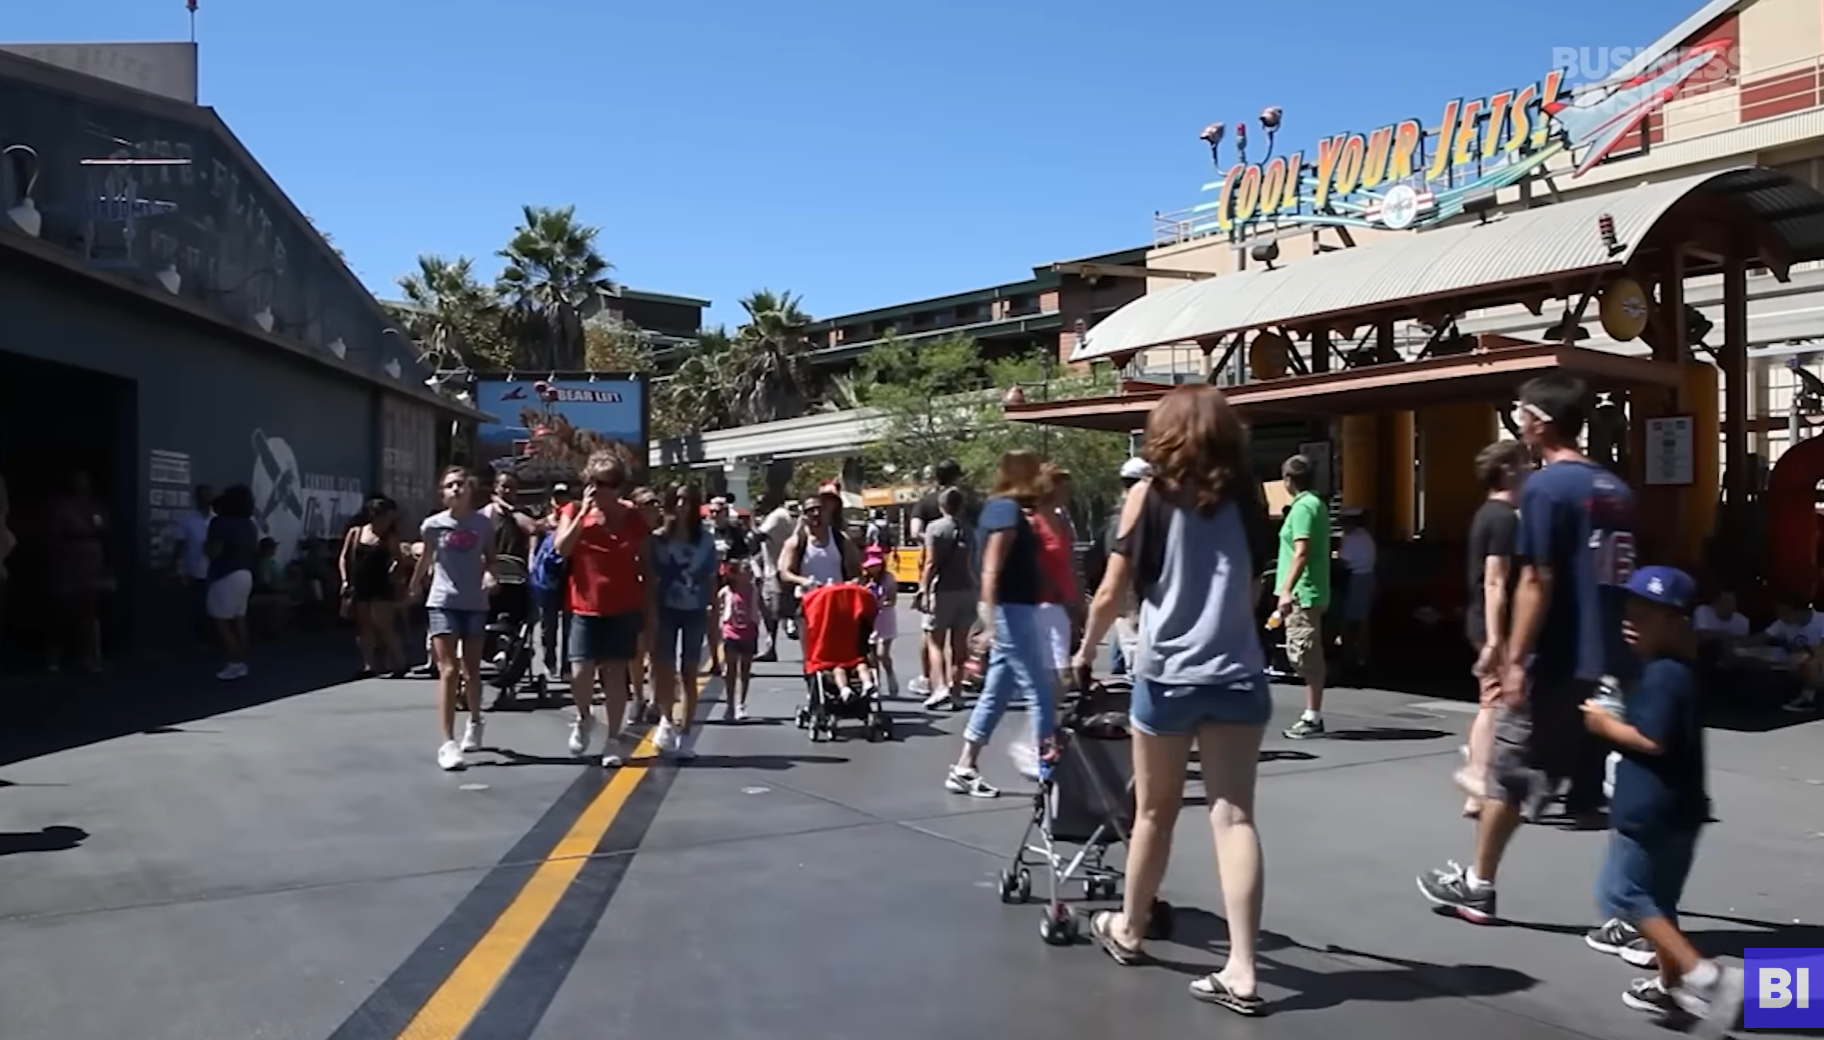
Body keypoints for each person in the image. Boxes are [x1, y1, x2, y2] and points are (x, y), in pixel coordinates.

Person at [1072, 384, 1274, 1015]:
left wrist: (1085, 651)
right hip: (1237, 674)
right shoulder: (1247, 499)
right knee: (1234, 817)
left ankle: (1130, 929)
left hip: (1169, 676)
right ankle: (1242, 968)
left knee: (1154, 813)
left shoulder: (1149, 495)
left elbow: (1113, 590)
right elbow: (1252, 584)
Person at [1419, 372, 1635, 922]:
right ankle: (1637, 910)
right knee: (1619, 784)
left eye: (1521, 412)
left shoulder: (1545, 489)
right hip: (1611, 658)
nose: (1517, 421)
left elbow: (1536, 579)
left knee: (1509, 775)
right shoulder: (1615, 489)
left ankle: (1478, 885)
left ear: (1540, 422)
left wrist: (1514, 659)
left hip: (1558, 659)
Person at [1580, 566, 1744, 1027]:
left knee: (1621, 893)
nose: (1631, 621)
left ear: (1678, 622)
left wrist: (1604, 724)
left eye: (1646, 614)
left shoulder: (1664, 675)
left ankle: (1705, 975)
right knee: (1661, 901)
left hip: (1648, 810)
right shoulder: (1682, 672)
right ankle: (1668, 987)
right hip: (1681, 811)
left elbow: (1651, 741)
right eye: (1630, 610)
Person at [943, 450, 1056, 797]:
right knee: (1040, 691)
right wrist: (989, 620)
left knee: (997, 692)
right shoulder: (1004, 510)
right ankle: (1047, 768)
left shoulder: (1007, 509)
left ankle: (964, 766)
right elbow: (991, 567)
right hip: (1011, 611)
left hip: (1015, 610)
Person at [556, 453, 653, 768]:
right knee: (580, 671)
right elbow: (561, 549)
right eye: (594, 482)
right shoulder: (573, 511)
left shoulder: (632, 517)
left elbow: (647, 560)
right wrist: (583, 515)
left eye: (606, 483)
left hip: (623, 604)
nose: (599, 489)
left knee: (615, 674)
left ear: (617, 486)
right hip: (584, 605)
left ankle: (613, 738)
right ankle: (584, 717)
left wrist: (650, 605)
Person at [1458, 441, 1530, 818]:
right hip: (1493, 625)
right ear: (1507, 470)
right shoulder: (1502, 519)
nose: (1531, 469)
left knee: (1495, 701)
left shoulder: (1490, 514)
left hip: (1488, 623)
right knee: (1495, 702)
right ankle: (1477, 779)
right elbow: (1494, 581)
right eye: (1525, 463)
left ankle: (1480, 779)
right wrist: (1497, 639)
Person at [410, 467, 498, 771]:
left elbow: (491, 558)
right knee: (448, 670)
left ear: (470, 490)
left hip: (474, 602)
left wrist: (490, 574)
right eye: (450, 485)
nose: (456, 489)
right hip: (443, 601)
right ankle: (448, 742)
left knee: (472, 670)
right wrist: (414, 584)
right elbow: (427, 557)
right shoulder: (433, 525)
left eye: (461, 484)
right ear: (442, 493)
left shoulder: (483, 524)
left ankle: (475, 720)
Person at [650, 483, 720, 758]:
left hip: (695, 609)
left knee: (689, 672)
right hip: (665, 608)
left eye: (687, 500)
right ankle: (666, 718)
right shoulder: (658, 539)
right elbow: (650, 576)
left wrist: (714, 609)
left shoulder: (705, 540)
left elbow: (711, 578)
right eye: (677, 499)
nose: (682, 505)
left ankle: (686, 733)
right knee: (664, 668)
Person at [1277, 455, 1332, 739]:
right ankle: (1313, 713)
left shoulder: (1303, 508)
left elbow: (1301, 551)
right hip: (1308, 589)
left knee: (1306, 655)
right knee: (1305, 653)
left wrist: (1287, 589)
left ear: (1289, 479)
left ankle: (1313, 715)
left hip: (1303, 591)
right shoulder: (1315, 504)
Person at [46, 470, 113, 672]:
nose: (81, 484)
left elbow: (105, 532)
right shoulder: (61, 506)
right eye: (77, 480)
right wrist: (81, 532)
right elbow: (53, 534)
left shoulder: (97, 506)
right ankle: (54, 656)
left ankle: (87, 657)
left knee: (88, 613)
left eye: (85, 480)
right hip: (67, 567)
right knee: (61, 612)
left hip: (92, 567)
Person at [909, 458, 965, 699]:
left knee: (931, 631)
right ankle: (956, 685)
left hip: (934, 572)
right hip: (964, 575)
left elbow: (914, 532)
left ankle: (928, 678)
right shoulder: (965, 503)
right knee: (959, 636)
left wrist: (933, 541)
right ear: (957, 476)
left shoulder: (926, 502)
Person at [918, 486, 976, 711]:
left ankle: (940, 686)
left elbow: (931, 562)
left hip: (942, 590)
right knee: (959, 646)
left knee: (935, 642)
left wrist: (923, 589)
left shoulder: (934, 528)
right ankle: (956, 693)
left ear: (941, 506)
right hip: (967, 589)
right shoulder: (970, 529)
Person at [340, 495, 406, 678]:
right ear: (373, 515)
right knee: (364, 626)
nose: (387, 521)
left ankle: (400, 663)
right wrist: (345, 580)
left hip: (381, 583)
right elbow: (344, 557)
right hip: (360, 583)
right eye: (384, 517)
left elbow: (399, 559)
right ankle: (369, 665)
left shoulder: (389, 536)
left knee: (384, 624)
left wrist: (395, 572)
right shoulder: (356, 532)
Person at [1034, 463, 1081, 705]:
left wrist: (1078, 598)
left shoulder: (1062, 521)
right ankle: (1044, 721)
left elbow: (1069, 562)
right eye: (1063, 489)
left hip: (1064, 603)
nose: (1068, 494)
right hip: (1043, 603)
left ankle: (1046, 720)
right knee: (1059, 675)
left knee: (1060, 675)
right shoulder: (1033, 523)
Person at [204, 485, 260, 681]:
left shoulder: (220, 523)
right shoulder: (250, 525)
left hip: (224, 576)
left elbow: (214, 552)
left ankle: (234, 663)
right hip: (245, 575)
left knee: (222, 622)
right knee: (240, 618)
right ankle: (241, 661)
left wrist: (205, 548)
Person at [778, 490, 862, 617]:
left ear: (827, 513)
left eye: (820, 509)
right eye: (811, 510)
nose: (816, 514)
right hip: (809, 606)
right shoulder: (796, 542)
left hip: (837, 604)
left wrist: (853, 583)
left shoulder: (841, 539)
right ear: (804, 516)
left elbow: (857, 571)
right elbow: (785, 573)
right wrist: (804, 581)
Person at [1752, 592, 1823, 713]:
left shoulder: (1821, 620)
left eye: (1785, 613)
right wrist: (1739, 643)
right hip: (1792, 661)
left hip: (1817, 663)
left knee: (1807, 660)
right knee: (1761, 654)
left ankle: (1807, 698)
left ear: (1800, 611)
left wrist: (1803, 650)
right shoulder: (1782, 622)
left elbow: (1821, 649)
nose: (1781, 616)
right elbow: (1763, 636)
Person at [167, 485, 215, 647]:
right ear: (196, 498)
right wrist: (173, 566)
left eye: (208, 495)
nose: (206, 499)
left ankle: (214, 639)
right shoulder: (187, 519)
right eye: (202, 496)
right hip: (195, 570)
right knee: (199, 607)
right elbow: (179, 544)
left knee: (215, 607)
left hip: (216, 571)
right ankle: (201, 641)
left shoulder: (217, 519)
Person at [754, 496, 797, 660]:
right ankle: (771, 647)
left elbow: (758, 536)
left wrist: (748, 525)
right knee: (771, 611)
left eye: (761, 502)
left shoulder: (777, 516)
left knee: (773, 611)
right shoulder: (781, 516)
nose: (758, 505)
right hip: (779, 568)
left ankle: (775, 644)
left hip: (777, 571)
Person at [1336, 509, 1377, 670]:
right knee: (1362, 620)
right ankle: (1361, 657)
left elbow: (1343, 561)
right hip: (1368, 578)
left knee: (1352, 621)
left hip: (1356, 579)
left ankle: (1353, 657)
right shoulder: (1365, 536)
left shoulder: (1353, 539)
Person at [718, 561, 758, 720]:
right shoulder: (727, 591)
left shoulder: (753, 590)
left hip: (749, 632)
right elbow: (717, 607)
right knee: (731, 669)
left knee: (745, 670)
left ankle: (741, 704)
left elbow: (761, 608)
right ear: (737, 574)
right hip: (730, 632)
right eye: (746, 570)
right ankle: (730, 705)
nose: (750, 573)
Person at [861, 544, 900, 697]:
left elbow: (892, 600)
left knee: (882, 654)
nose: (874, 568)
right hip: (869, 619)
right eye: (871, 566)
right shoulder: (863, 580)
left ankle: (890, 674)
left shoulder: (888, 578)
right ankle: (876, 684)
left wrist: (881, 602)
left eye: (876, 565)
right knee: (871, 655)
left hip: (885, 617)